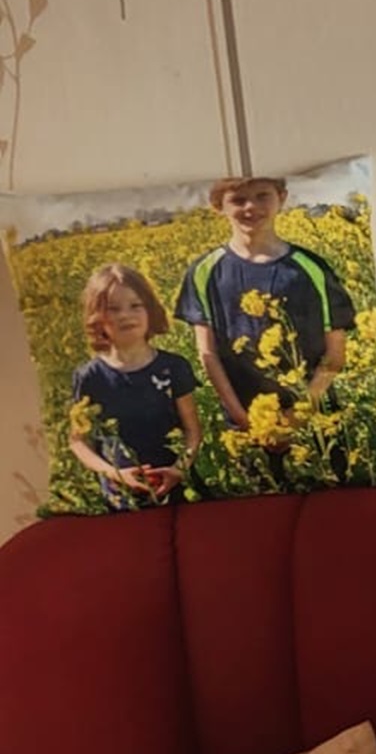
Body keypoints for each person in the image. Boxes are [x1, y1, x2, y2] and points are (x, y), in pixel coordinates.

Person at [175, 176, 355, 433]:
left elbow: (335, 354)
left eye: (262, 196)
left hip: (316, 418)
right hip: (244, 422)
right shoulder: (204, 271)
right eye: (238, 200)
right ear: (218, 207)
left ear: (281, 198)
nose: (251, 207)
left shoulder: (311, 267)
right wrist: (240, 416)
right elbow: (208, 354)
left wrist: (299, 414)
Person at [68, 265, 199, 509]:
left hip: (174, 492)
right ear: (97, 318)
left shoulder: (174, 367)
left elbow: (193, 431)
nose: (125, 315)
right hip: (120, 499)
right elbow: (78, 442)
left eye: (135, 305)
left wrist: (179, 469)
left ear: (150, 310)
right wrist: (114, 474)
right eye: (113, 309)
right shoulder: (89, 377)